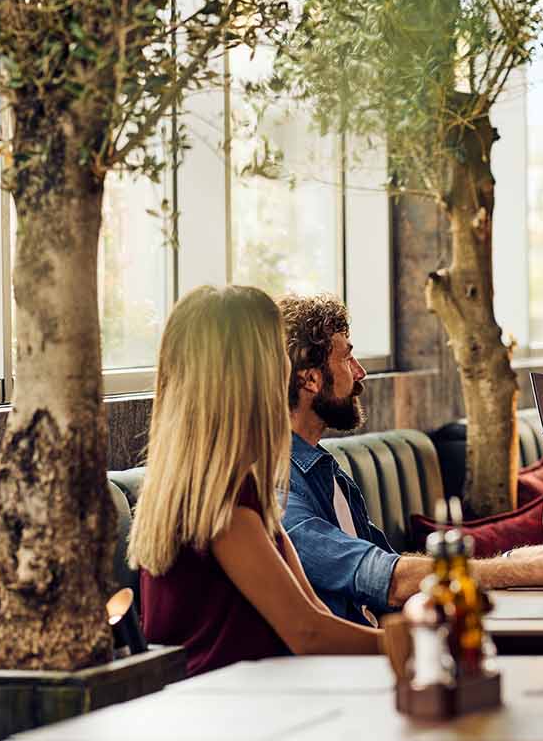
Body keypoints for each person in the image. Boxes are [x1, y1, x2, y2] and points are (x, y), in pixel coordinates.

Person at [277, 292, 543, 623]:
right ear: (310, 378)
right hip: (348, 668)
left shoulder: (327, 472)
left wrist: (512, 559)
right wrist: (532, 569)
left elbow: (393, 567)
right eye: (347, 358)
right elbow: (389, 581)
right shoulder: (281, 488)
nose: (360, 372)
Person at [130, 285, 382, 676]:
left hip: (261, 706)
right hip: (232, 719)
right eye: (277, 354)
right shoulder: (219, 500)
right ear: (250, 375)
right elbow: (308, 634)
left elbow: (314, 611)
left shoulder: (238, 485)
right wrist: (413, 644)